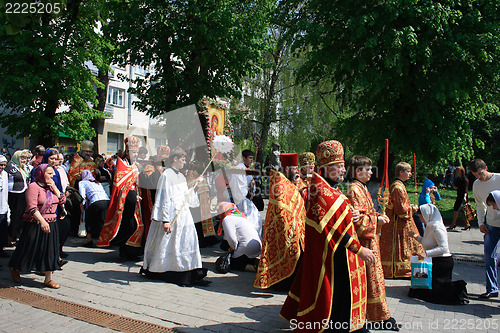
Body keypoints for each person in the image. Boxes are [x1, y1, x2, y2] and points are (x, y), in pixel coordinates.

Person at [281, 140, 376, 333]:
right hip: (333, 260)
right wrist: (360, 250)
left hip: (337, 256)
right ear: (326, 168)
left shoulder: (328, 188)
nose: (343, 170)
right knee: (336, 302)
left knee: (341, 302)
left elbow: (339, 214)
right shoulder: (322, 191)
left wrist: (353, 212)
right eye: (339, 166)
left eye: (342, 165)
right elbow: (333, 228)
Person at [140, 147, 210, 286]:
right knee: (170, 245)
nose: (185, 162)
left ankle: (190, 271)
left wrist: (195, 185)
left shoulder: (181, 176)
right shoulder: (166, 175)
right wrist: (165, 220)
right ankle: (168, 271)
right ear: (175, 159)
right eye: (183, 160)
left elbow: (186, 197)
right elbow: (163, 197)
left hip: (184, 215)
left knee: (187, 243)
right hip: (172, 216)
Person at [347, 155, 399, 330]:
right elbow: (357, 221)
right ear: (357, 171)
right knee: (368, 281)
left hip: (372, 241)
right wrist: (377, 222)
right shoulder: (354, 189)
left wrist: (377, 216)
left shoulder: (363, 187)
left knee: (375, 280)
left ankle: (380, 315)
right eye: (367, 170)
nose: (371, 172)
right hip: (363, 244)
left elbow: (366, 212)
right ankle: (370, 317)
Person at [9, 164, 66, 289]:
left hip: (52, 222)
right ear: (41, 173)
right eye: (49, 173)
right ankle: (14, 267)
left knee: (50, 250)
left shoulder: (51, 187)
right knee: (28, 248)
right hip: (35, 223)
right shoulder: (33, 187)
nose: (53, 176)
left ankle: (48, 278)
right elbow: (32, 207)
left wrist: (55, 189)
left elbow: (62, 200)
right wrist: (42, 221)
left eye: (53, 173)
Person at [254, 165, 306, 290]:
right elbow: (282, 210)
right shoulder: (279, 184)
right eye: (294, 168)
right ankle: (280, 283)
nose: (297, 170)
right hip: (283, 229)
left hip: (295, 228)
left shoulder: (290, 183)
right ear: (286, 169)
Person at [408, 204, 469, 304]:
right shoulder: (430, 225)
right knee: (418, 290)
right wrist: (415, 237)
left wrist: (426, 253)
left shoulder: (437, 227)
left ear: (427, 215)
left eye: (421, 217)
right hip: (434, 260)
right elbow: (427, 242)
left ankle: (459, 288)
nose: (420, 219)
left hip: (442, 262)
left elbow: (443, 247)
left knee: (438, 294)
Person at [97, 136, 144, 261]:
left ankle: (131, 251)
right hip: (124, 201)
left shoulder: (134, 164)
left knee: (136, 226)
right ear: (127, 152)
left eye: (137, 152)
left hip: (134, 201)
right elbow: (119, 182)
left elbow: (135, 181)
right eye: (133, 152)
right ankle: (123, 251)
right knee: (127, 226)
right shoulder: (121, 164)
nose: (135, 154)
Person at [380, 162, 424, 278]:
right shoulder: (397, 187)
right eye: (408, 172)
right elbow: (401, 210)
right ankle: (398, 270)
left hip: (401, 223)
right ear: (401, 172)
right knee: (403, 246)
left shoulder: (400, 185)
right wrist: (412, 209)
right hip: (397, 224)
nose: (410, 174)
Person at [469, 158, 500, 299]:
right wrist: (481, 223)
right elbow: (480, 205)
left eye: (481, 173)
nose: (479, 177)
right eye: (476, 175)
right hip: (491, 225)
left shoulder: (498, 178)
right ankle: (492, 288)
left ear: (486, 168)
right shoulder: (476, 185)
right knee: (489, 256)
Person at [218, 202, 261, 272]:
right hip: (257, 245)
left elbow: (231, 238)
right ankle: (258, 263)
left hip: (247, 247)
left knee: (233, 263)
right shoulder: (241, 216)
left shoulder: (227, 219)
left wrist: (232, 248)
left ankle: (256, 269)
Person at [229, 149, 262, 237]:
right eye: (250, 158)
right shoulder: (243, 169)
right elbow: (248, 184)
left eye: (252, 158)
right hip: (244, 198)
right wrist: (251, 190)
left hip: (239, 198)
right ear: (244, 158)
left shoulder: (238, 167)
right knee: (254, 219)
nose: (251, 160)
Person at [78, 170, 110, 248]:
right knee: (103, 221)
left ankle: (89, 240)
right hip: (106, 201)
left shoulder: (82, 183)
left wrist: (82, 207)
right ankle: (104, 241)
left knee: (89, 220)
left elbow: (82, 195)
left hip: (95, 202)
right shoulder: (97, 183)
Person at [6, 150, 30, 244]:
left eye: (25, 158)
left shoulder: (24, 168)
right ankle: (9, 236)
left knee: (20, 216)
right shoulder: (10, 167)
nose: (24, 160)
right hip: (13, 193)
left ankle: (14, 235)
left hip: (23, 193)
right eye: (22, 158)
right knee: (15, 215)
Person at [448, 166, 470, 230]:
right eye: (457, 171)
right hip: (459, 195)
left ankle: (453, 224)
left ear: (462, 171)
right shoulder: (458, 178)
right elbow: (457, 186)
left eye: (458, 171)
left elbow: (466, 189)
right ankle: (467, 224)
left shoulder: (464, 179)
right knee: (462, 211)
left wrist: (464, 197)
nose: (457, 172)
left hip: (462, 197)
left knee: (456, 210)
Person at [0, 156, 9, 257]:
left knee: (2, 230)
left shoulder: (5, 174)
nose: (2, 167)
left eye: (4, 165)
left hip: (3, 207)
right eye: (0, 165)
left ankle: (1, 249)